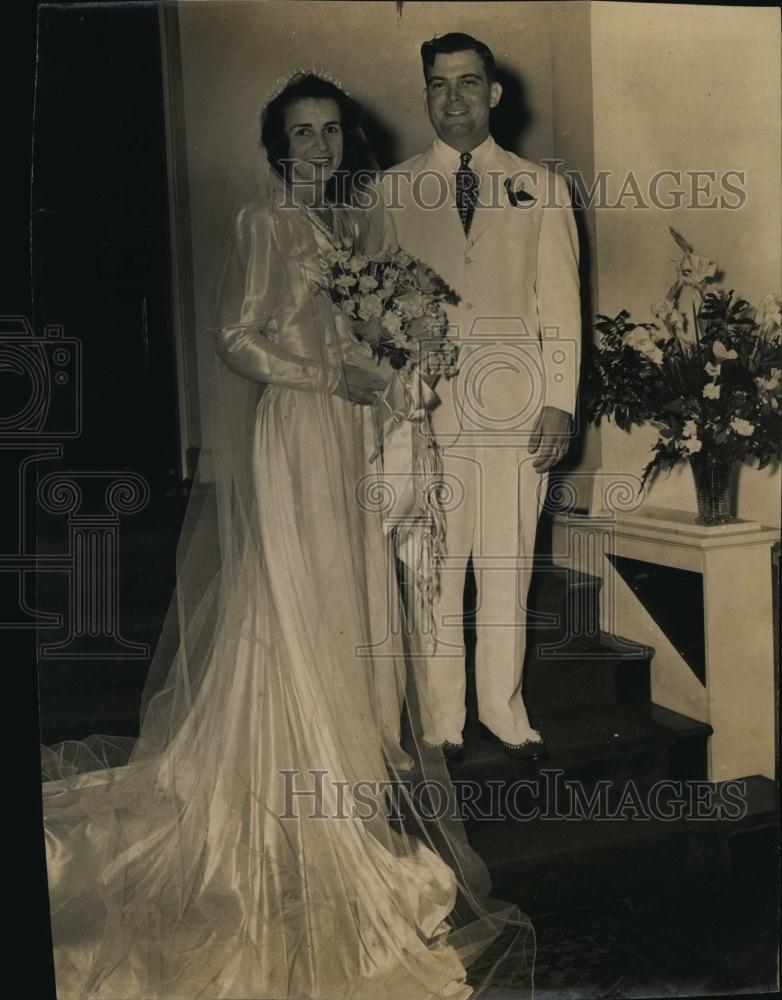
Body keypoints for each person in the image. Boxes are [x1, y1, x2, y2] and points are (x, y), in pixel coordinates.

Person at [40, 72, 529, 999]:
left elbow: (360, 335)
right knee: (298, 593)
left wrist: (388, 365)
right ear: (277, 146)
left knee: (348, 593)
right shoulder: (264, 223)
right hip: (297, 431)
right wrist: (328, 375)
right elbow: (236, 337)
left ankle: (342, 771)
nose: (318, 146)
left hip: (346, 431)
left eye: (330, 131)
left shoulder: (344, 226)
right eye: (301, 134)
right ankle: (299, 787)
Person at [381, 34, 581, 761]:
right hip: (427, 413)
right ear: (426, 93)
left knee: (509, 564)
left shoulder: (540, 185)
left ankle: (503, 708)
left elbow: (558, 303)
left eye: (469, 84)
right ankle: (442, 719)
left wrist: (560, 399)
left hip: (519, 411)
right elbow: (376, 311)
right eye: (439, 84)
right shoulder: (392, 190)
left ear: (494, 94)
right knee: (433, 565)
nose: (454, 98)